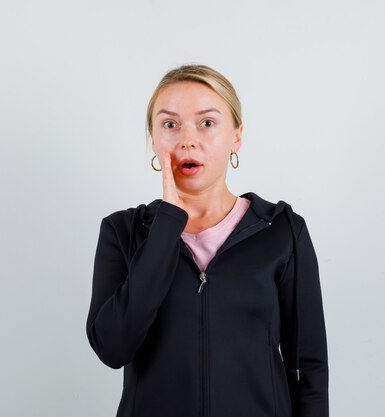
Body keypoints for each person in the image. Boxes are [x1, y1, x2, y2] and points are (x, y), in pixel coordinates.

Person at [86, 64, 328, 417]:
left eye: (207, 123)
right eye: (170, 124)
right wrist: (168, 225)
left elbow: (309, 368)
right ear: (153, 138)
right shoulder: (122, 232)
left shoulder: (282, 231)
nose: (187, 139)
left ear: (236, 136)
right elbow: (112, 348)